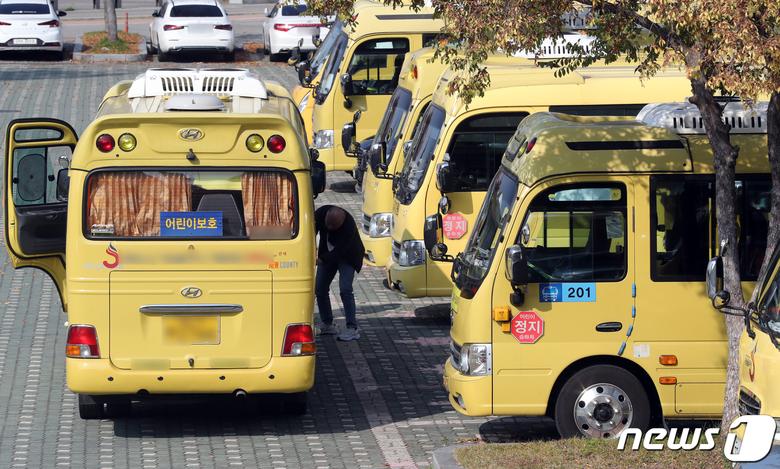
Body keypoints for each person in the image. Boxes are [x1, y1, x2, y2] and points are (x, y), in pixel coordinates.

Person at [314, 205, 365, 341]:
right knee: (320, 288)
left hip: (348, 256)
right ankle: (327, 324)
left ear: (341, 222)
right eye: (328, 225)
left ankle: (352, 328)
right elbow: (310, 232)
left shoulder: (349, 226)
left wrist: (321, 259)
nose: (329, 228)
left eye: (334, 227)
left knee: (345, 289)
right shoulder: (320, 213)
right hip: (327, 252)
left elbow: (340, 250)